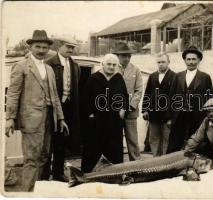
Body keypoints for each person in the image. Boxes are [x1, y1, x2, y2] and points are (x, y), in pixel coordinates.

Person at [5, 30, 68, 191]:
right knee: (31, 159)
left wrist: (60, 119)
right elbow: (13, 93)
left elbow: (55, 97)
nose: (41, 50)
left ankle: (38, 191)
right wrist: (10, 118)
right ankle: (27, 193)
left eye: (45, 47)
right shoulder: (21, 66)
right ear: (30, 47)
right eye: (38, 47)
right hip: (31, 120)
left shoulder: (49, 69)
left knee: (44, 157)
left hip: (49, 119)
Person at [81, 54, 129, 173]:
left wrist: (124, 109)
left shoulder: (119, 78)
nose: (111, 67)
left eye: (114, 65)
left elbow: (125, 97)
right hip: (97, 119)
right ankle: (88, 174)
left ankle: (115, 173)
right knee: (93, 148)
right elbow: (85, 98)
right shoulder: (94, 78)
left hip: (114, 120)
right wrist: (90, 114)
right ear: (102, 64)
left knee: (114, 148)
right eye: (109, 64)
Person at [42, 36, 81, 181]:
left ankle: (58, 172)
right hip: (53, 108)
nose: (70, 49)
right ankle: (45, 174)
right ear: (60, 46)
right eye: (67, 46)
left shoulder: (75, 65)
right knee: (49, 141)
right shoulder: (50, 63)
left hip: (69, 107)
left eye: (72, 47)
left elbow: (76, 87)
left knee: (62, 142)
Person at [166, 46, 213, 153]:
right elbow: (171, 97)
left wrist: (209, 118)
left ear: (199, 60)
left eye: (194, 59)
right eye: (188, 59)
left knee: (197, 144)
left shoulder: (205, 77)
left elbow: (209, 99)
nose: (191, 62)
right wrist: (169, 117)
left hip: (197, 116)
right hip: (179, 115)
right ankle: (172, 167)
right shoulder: (178, 76)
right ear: (184, 60)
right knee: (174, 144)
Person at [142, 52, 176, 156]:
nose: (161, 64)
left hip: (167, 115)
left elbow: (176, 98)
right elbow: (147, 93)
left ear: (168, 62)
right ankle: (156, 160)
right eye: (159, 62)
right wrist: (145, 110)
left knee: (167, 139)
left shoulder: (174, 76)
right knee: (154, 139)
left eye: (163, 62)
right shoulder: (152, 76)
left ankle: (165, 162)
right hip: (154, 114)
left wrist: (172, 117)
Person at [113, 42, 143, 161]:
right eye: (123, 56)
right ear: (118, 56)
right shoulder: (112, 68)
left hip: (131, 111)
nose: (126, 58)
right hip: (115, 111)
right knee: (116, 139)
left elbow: (139, 90)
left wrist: (130, 106)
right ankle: (117, 164)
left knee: (132, 139)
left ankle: (136, 164)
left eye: (128, 56)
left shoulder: (136, 70)